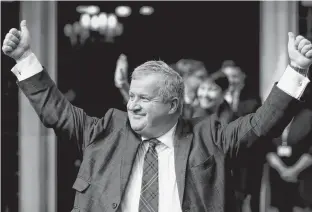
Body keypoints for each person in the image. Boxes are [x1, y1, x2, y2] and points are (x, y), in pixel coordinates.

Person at [2, 20, 312, 212]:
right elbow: (58, 114)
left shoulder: (210, 136)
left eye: (145, 99)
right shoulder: (106, 130)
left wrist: (296, 69)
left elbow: (261, 125)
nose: (132, 105)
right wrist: (25, 59)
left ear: (174, 105)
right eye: (132, 96)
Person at [267, 87, 312, 212]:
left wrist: (294, 171)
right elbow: (267, 146)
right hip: (278, 176)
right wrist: (282, 170)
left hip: (303, 177)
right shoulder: (274, 117)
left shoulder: (308, 116)